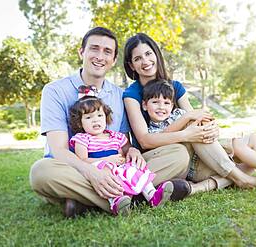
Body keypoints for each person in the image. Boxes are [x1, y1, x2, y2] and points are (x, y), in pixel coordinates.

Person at [29, 27, 191, 219]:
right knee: (40, 171)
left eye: (107, 52)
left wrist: (132, 150)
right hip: (75, 169)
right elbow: (59, 150)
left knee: (178, 154)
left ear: (114, 60)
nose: (100, 56)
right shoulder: (55, 91)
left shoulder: (119, 95)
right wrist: (92, 173)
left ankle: (88, 202)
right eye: (94, 49)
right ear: (82, 52)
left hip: (117, 168)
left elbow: (123, 142)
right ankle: (134, 198)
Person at [122, 33, 256, 193]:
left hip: (196, 149)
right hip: (169, 155)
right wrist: (187, 129)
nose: (145, 61)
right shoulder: (132, 94)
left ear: (156, 54)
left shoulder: (175, 86)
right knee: (196, 128)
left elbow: (196, 116)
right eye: (138, 58)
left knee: (249, 139)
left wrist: (211, 127)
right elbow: (146, 140)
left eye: (148, 54)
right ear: (131, 65)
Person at [142, 79, 256, 190]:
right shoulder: (153, 128)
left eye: (166, 103)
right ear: (144, 105)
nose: (161, 107)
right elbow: (165, 135)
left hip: (211, 155)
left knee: (251, 139)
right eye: (155, 102)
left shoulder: (177, 114)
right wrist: (189, 117)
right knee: (195, 126)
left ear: (172, 105)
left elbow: (203, 124)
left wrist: (209, 124)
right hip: (196, 167)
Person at [68, 91, 174, 215]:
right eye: (88, 117)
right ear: (80, 123)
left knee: (135, 167)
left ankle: (152, 195)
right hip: (99, 169)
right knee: (106, 170)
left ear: (106, 117)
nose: (95, 121)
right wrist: (107, 160)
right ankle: (116, 201)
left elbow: (125, 153)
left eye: (99, 116)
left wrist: (127, 158)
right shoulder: (82, 138)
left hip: (118, 168)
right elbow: (82, 161)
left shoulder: (116, 137)